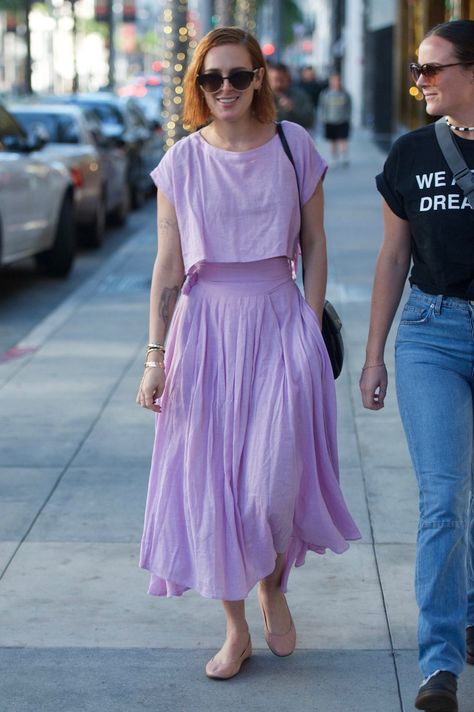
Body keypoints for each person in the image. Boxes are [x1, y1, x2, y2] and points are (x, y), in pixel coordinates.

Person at [137, 26, 360, 681]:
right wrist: (155, 356)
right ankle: (235, 629)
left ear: (260, 77)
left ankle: (272, 584)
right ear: (198, 86)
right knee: (214, 488)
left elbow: (315, 243)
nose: (225, 89)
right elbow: (168, 267)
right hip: (205, 332)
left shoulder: (294, 146)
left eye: (238, 76)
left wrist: (309, 324)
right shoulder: (181, 162)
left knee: (270, 487)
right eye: (212, 79)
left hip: (278, 320)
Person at [359, 19, 474, 712]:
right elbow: (393, 258)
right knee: (443, 499)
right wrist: (373, 354)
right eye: (415, 68)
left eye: (432, 69)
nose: (418, 81)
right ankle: (441, 663)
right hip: (432, 335)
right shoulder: (408, 154)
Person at [267, 61, 315, 129]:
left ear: (288, 78)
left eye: (281, 80)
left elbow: (310, 120)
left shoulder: (300, 95)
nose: (278, 84)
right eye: (275, 80)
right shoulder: (262, 98)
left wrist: (292, 109)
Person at [319, 73, 351, 166]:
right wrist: (323, 118)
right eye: (333, 80)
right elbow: (322, 107)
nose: (336, 82)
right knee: (332, 141)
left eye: (337, 80)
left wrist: (347, 118)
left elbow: (349, 107)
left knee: (343, 139)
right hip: (330, 121)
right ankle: (334, 157)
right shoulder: (325, 94)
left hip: (342, 121)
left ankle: (344, 157)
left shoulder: (345, 94)